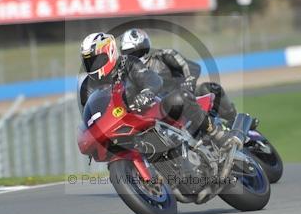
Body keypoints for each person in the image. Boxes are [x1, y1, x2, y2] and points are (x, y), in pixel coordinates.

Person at [79, 32, 236, 147]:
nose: (93, 65)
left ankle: (220, 130)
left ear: (111, 52)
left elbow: (152, 79)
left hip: (162, 103)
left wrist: (148, 93)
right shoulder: (87, 86)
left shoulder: (141, 61)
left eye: (97, 60)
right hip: (129, 121)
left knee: (201, 91)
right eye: (89, 62)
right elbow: (90, 114)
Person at [119, 28, 241, 127]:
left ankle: (235, 120)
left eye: (136, 52)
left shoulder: (164, 55)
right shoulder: (125, 75)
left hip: (186, 97)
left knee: (209, 88)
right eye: (129, 53)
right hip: (161, 112)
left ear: (146, 47)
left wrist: (189, 82)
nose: (133, 57)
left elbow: (192, 67)